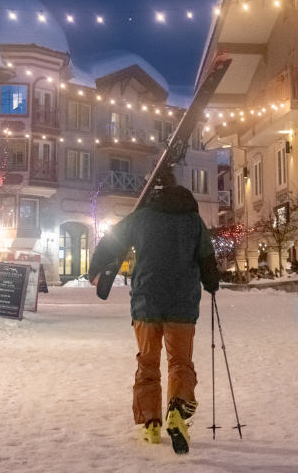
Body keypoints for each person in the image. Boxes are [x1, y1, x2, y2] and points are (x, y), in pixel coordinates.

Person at [88, 170, 220, 455]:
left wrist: (94, 270)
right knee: (180, 363)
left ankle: (150, 422)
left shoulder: (141, 217)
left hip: (146, 303)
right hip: (182, 306)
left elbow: (110, 240)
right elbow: (207, 258)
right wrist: (212, 283)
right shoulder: (193, 221)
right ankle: (177, 410)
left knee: (147, 365)